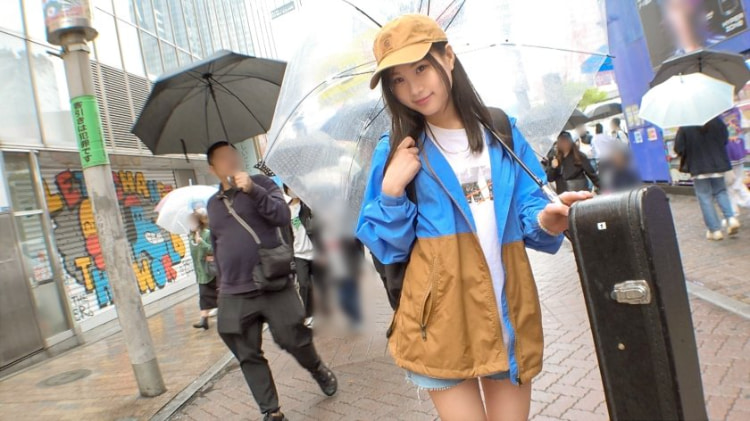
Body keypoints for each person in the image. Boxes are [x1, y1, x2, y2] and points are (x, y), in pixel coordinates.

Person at [356, 15, 592, 421]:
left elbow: (529, 207)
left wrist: (548, 220)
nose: (414, 88)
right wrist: (392, 191)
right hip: (440, 323)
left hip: (507, 312)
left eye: (421, 68)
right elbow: (388, 248)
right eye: (398, 80)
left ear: (448, 57)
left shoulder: (501, 131)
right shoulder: (395, 149)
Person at [206, 141, 337, 421]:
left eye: (233, 154)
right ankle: (271, 410)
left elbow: (281, 215)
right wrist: (217, 290)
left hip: (273, 281)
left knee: (294, 338)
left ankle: (316, 368)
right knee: (246, 352)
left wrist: (252, 191)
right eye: (223, 158)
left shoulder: (262, 184)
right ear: (212, 168)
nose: (230, 160)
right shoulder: (213, 205)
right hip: (235, 291)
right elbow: (217, 245)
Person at [674, 118, 741, 241]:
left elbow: (679, 148)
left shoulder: (685, 125)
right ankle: (730, 218)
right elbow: (724, 140)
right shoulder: (717, 121)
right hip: (718, 164)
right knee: (721, 192)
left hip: (698, 167)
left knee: (705, 197)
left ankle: (715, 230)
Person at [284, 186, 317, 327]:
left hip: (315, 252)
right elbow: (288, 233)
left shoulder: (308, 206)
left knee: (323, 284)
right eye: (290, 188)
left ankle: (324, 308)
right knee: (304, 285)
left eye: (294, 187)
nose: (293, 190)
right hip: (299, 253)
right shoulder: (286, 210)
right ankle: (309, 314)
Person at [189, 210, 218, 330]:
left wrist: (201, 243)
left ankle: (226, 314)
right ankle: (204, 320)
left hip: (211, 270)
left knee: (218, 294)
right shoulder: (191, 237)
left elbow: (214, 249)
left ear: (199, 222)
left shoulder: (207, 234)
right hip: (201, 272)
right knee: (203, 296)